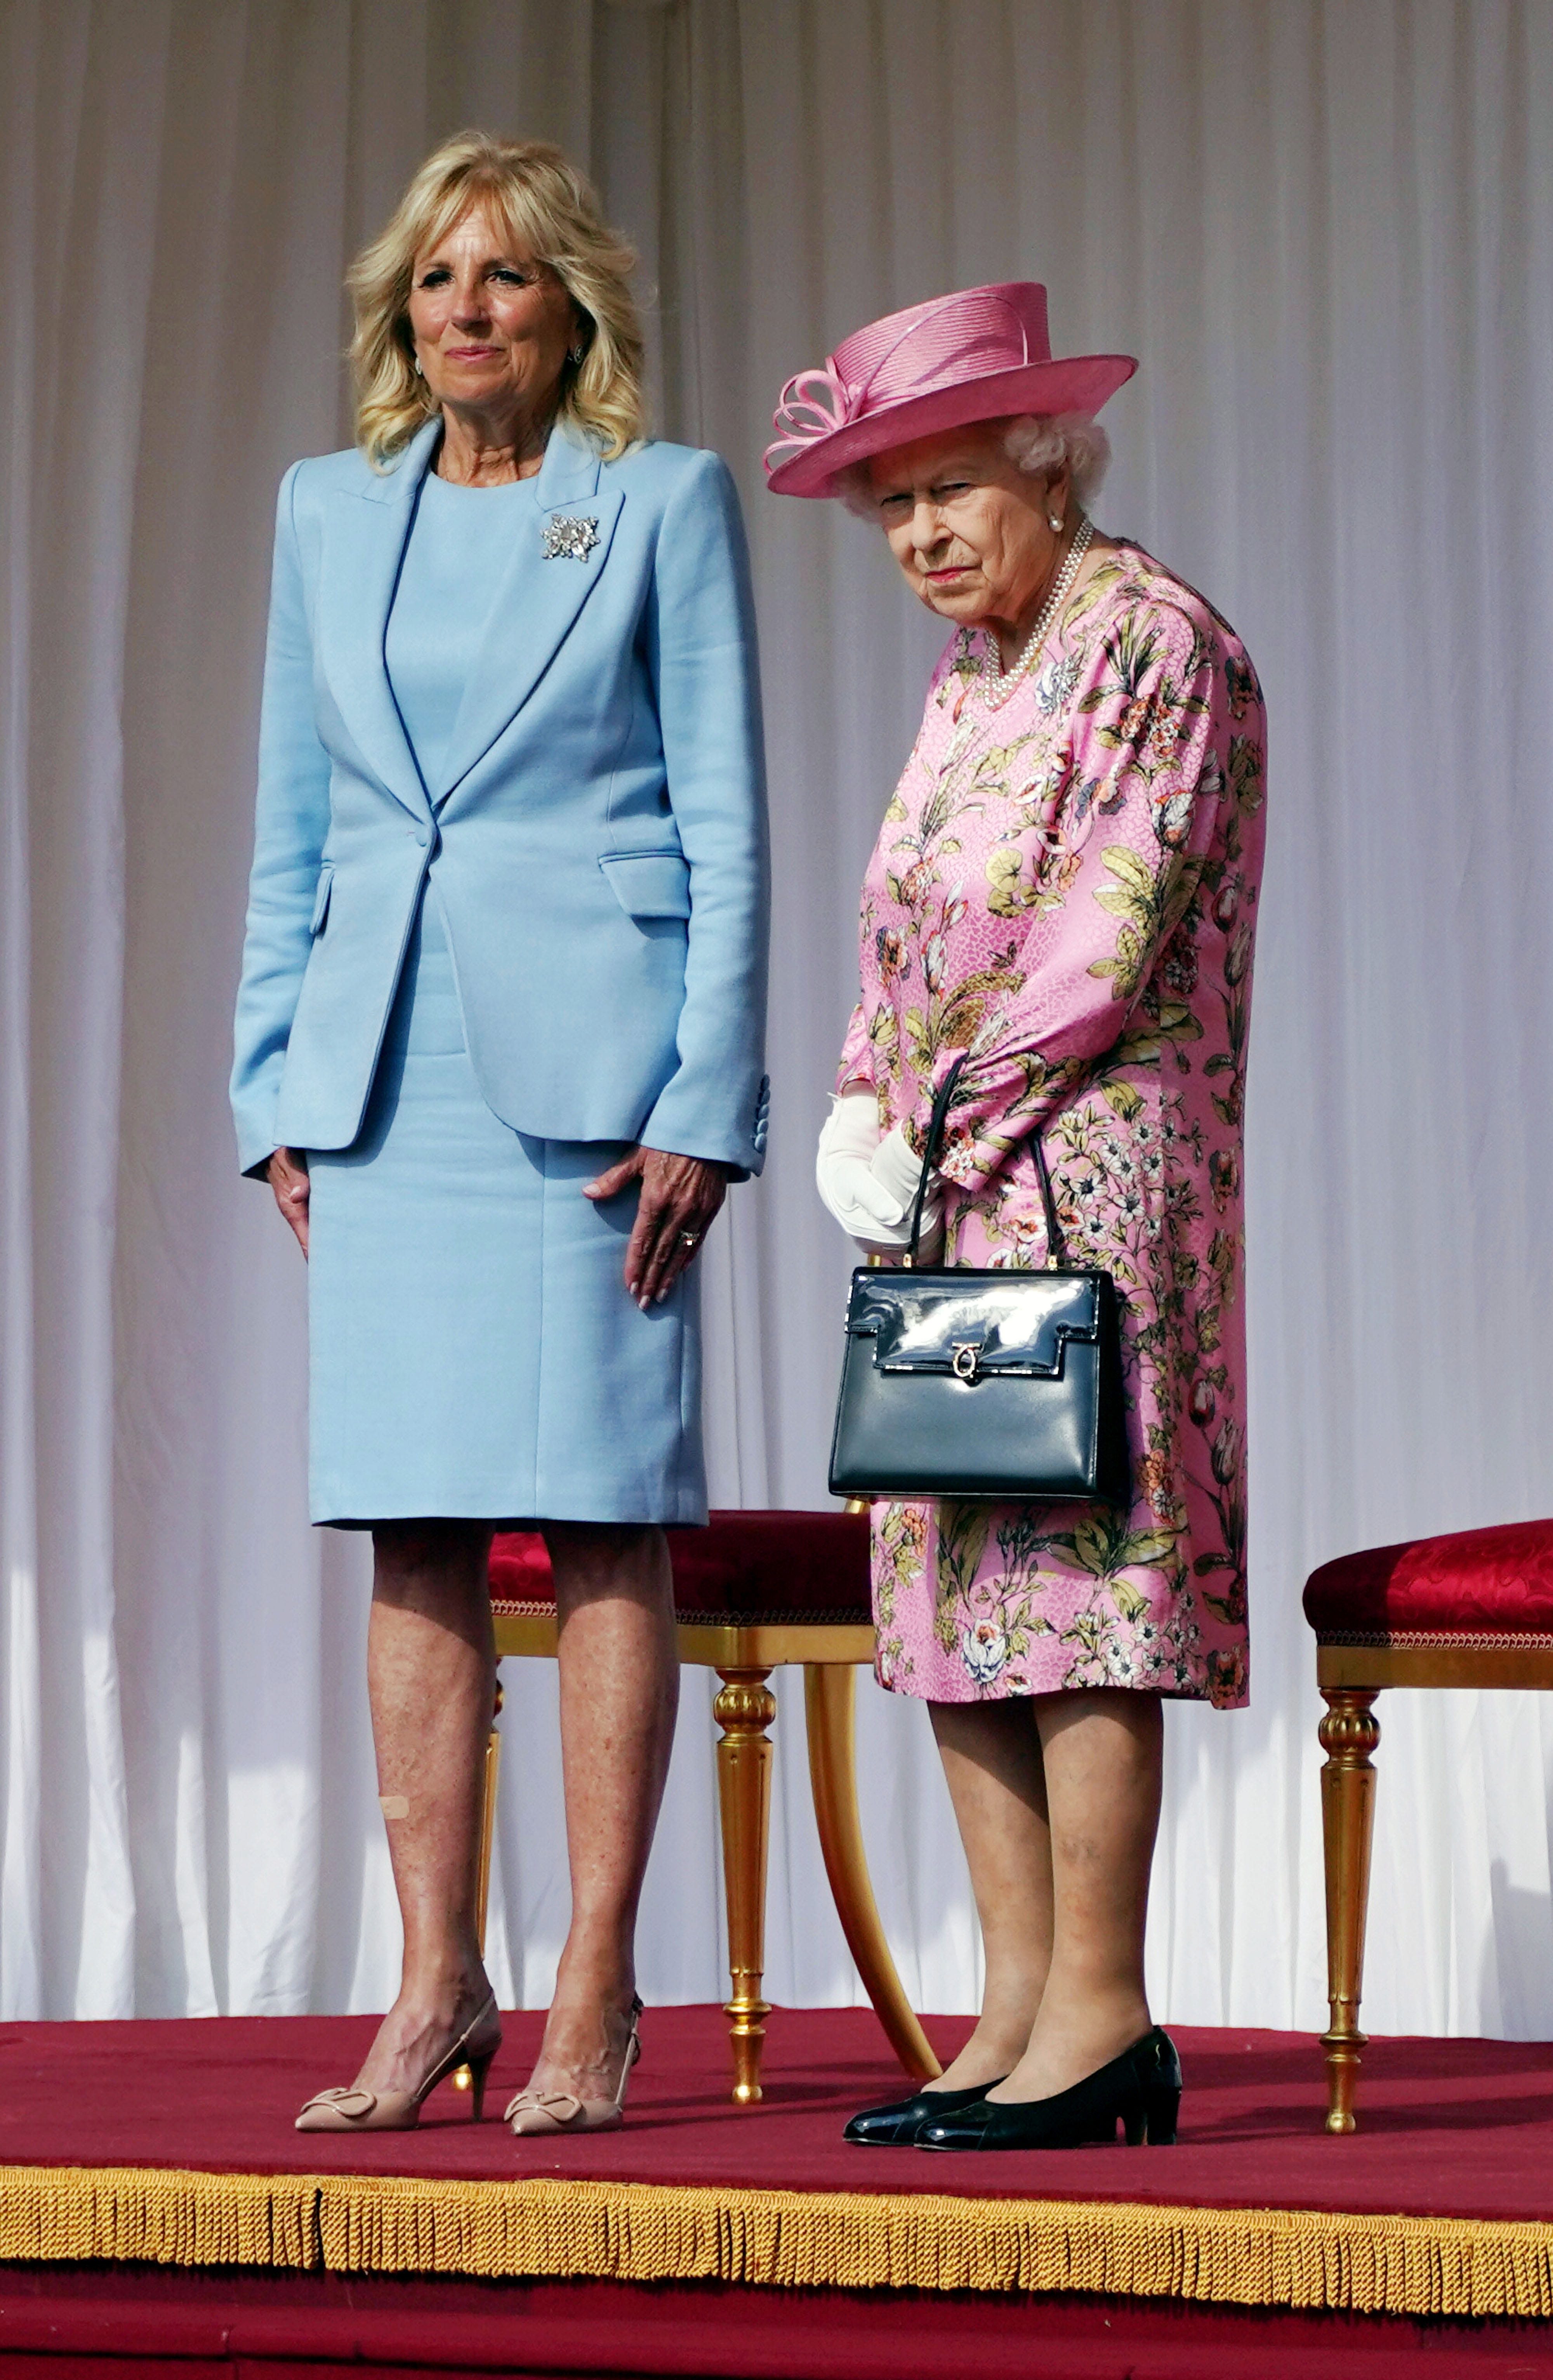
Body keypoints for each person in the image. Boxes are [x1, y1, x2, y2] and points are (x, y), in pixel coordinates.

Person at [232, 132, 768, 2141]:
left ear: (573, 314)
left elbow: (725, 816)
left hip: (597, 1090)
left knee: (606, 1515)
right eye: (440, 278)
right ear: (404, 313)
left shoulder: (655, 505)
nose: (469, 307)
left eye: (510, 277)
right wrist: (270, 1082)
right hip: (383, 1080)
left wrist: (706, 1101)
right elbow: (294, 825)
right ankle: (431, 1979)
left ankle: (592, 1985)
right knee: (413, 1525)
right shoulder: (322, 512)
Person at [766, 284, 1264, 2150]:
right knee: (956, 1575)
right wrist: (853, 1100)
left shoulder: (1157, 641)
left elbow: (1103, 935)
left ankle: (1108, 2018)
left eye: (950, 488)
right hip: (946, 1185)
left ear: (1049, 463)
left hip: (1087, 1170)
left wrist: (936, 1113)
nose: (919, 537)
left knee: (1075, 1579)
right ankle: (1014, 2013)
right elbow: (912, 930)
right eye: (889, 508)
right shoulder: (975, 671)